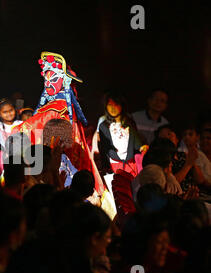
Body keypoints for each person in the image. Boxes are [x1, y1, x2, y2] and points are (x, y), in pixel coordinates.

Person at [11, 51, 104, 195]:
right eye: (46, 79)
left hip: (61, 160)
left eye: (53, 78)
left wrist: (18, 130)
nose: (48, 83)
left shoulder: (59, 109)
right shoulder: (61, 108)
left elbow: (30, 127)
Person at [98, 91, 146, 177]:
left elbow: (137, 143)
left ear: (122, 106)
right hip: (114, 165)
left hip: (130, 165)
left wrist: (142, 147)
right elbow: (104, 149)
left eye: (116, 104)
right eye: (110, 105)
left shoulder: (130, 123)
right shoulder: (104, 126)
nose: (113, 108)